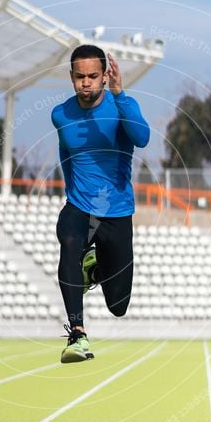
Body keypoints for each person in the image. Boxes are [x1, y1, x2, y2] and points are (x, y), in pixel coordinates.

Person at [51, 44, 150, 363]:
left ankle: (93, 268)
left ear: (105, 75)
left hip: (117, 212)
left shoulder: (123, 105)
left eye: (93, 76)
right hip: (79, 206)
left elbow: (142, 137)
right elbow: (66, 154)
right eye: (80, 76)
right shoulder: (60, 114)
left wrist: (121, 96)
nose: (86, 83)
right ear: (71, 77)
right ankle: (77, 334)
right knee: (68, 239)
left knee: (118, 306)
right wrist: (73, 194)